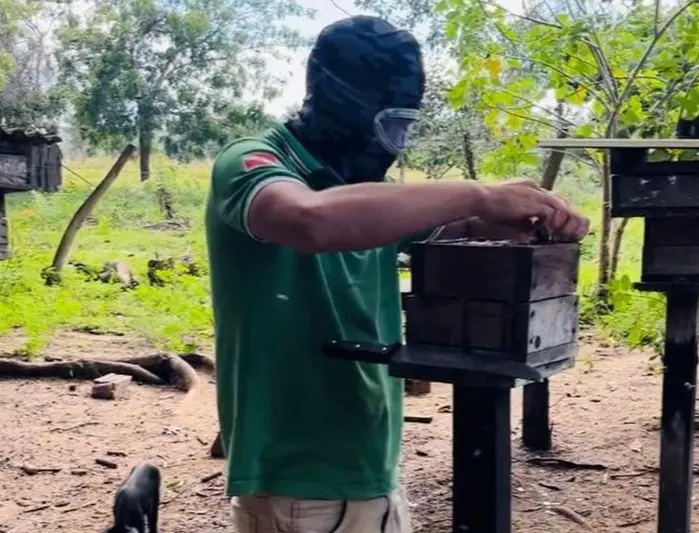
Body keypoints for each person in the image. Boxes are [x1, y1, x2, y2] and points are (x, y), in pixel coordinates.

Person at [205, 15, 590, 533]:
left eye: (407, 126)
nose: (395, 143)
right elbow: (310, 220)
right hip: (304, 480)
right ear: (349, 109)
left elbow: (447, 226)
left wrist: (511, 216)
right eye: (392, 124)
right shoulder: (253, 162)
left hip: (367, 469)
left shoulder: (364, 196)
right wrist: (477, 192)